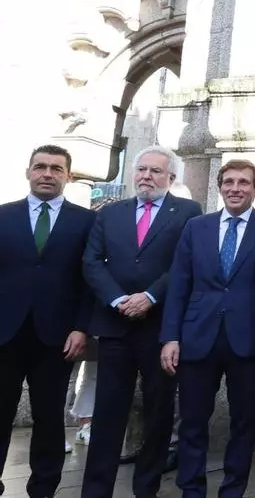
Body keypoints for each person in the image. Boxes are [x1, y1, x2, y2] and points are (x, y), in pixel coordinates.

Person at [81, 145, 202, 498]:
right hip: (115, 326)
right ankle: (95, 489)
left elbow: (185, 262)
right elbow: (92, 262)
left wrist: (150, 296)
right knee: (108, 412)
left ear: (171, 178)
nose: (147, 177)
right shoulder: (110, 213)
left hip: (160, 329)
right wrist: (118, 299)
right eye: (142, 170)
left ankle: (146, 487)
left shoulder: (187, 212)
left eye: (156, 171)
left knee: (159, 413)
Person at [159, 159, 255, 498]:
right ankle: (191, 489)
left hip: (250, 342)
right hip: (197, 338)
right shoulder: (196, 227)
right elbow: (180, 284)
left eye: (244, 182)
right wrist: (170, 336)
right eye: (228, 182)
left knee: (244, 422)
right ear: (220, 187)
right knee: (193, 420)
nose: (235, 188)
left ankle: (233, 489)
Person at [0, 145, 96, 498]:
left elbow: (90, 279)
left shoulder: (86, 221)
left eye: (57, 169)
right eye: (40, 167)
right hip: (4, 333)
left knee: (49, 417)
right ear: (28, 172)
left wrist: (82, 326)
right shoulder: (3, 215)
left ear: (67, 176)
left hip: (57, 337)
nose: (47, 173)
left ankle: (43, 488)